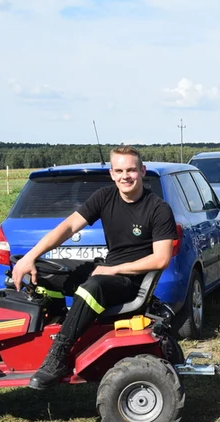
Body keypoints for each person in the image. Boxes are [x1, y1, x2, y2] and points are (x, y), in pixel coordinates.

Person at [11, 146, 176, 389]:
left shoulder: (158, 208)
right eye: (119, 170)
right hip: (107, 273)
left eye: (131, 170)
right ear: (111, 173)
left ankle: (57, 356)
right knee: (43, 271)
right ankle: (48, 333)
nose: (125, 176)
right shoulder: (104, 197)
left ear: (142, 171)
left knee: (93, 285)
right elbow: (67, 228)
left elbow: (161, 259)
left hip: (130, 282)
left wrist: (113, 270)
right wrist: (30, 256)